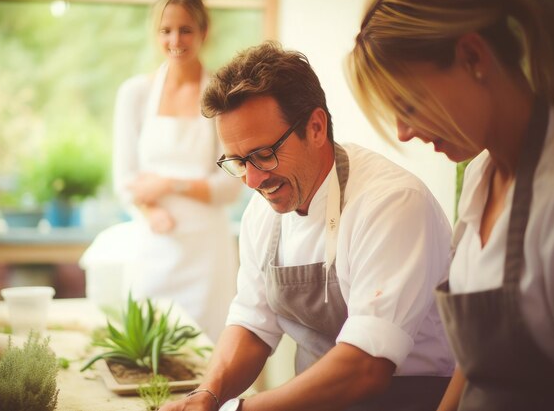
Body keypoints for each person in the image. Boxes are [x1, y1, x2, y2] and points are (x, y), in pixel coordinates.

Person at [161, 41, 454, 411]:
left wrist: (242, 409)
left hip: (409, 397)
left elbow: (366, 367)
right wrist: (207, 394)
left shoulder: (391, 203)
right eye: (237, 162)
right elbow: (253, 323)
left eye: (263, 155)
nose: (251, 180)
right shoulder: (261, 211)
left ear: (316, 127)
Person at [349, 0, 554, 410]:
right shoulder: (482, 175)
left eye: (408, 104)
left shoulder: (553, 199)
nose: (403, 132)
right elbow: (474, 363)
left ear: (472, 57)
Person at [82, 0, 241, 342]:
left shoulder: (221, 94)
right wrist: (151, 209)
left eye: (185, 30)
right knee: (148, 349)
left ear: (204, 30)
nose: (175, 41)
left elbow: (231, 185)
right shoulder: (135, 93)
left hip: (207, 253)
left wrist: (168, 184)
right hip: (153, 246)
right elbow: (125, 181)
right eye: (165, 30)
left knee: (207, 351)